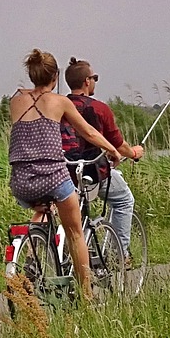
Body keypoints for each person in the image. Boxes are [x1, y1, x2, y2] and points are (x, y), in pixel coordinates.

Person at [8, 49, 120, 299]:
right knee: (75, 232)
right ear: (55, 77)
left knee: (43, 210)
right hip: (53, 176)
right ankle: (86, 297)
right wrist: (112, 150)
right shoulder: (60, 102)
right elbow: (89, 132)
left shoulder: (15, 100)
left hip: (21, 182)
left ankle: (31, 258)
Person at [60, 57, 144, 257]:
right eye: (94, 77)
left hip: (63, 172)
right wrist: (134, 153)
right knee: (124, 200)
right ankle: (120, 254)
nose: (95, 81)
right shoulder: (99, 109)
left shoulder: (58, 106)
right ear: (87, 81)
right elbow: (118, 144)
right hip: (93, 171)